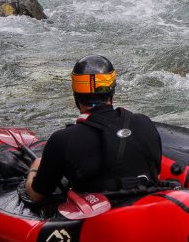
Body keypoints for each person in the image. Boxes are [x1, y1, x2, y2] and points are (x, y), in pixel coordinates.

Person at [25, 55, 162, 201]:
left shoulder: (62, 139)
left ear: (76, 96)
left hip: (99, 217)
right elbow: (156, 174)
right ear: (112, 93)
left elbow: (37, 194)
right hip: (148, 208)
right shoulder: (144, 123)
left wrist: (34, 168)